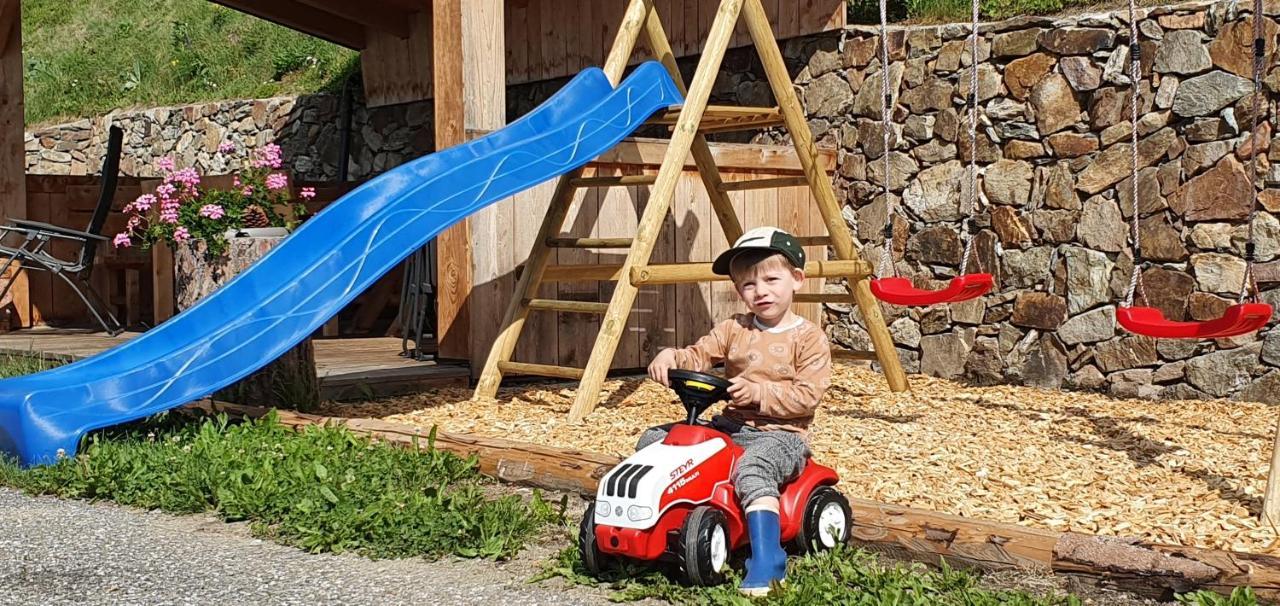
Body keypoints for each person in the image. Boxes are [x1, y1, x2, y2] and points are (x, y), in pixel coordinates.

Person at [641, 226, 832, 596]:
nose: (760, 291)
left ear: (797, 279)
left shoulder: (809, 338)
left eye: (772, 279)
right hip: (729, 426)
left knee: (753, 467)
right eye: (748, 285)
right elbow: (697, 355)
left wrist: (759, 392)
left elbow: (807, 396)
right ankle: (655, 525)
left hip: (780, 436)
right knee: (659, 441)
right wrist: (671, 356)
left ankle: (767, 558)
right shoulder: (733, 329)